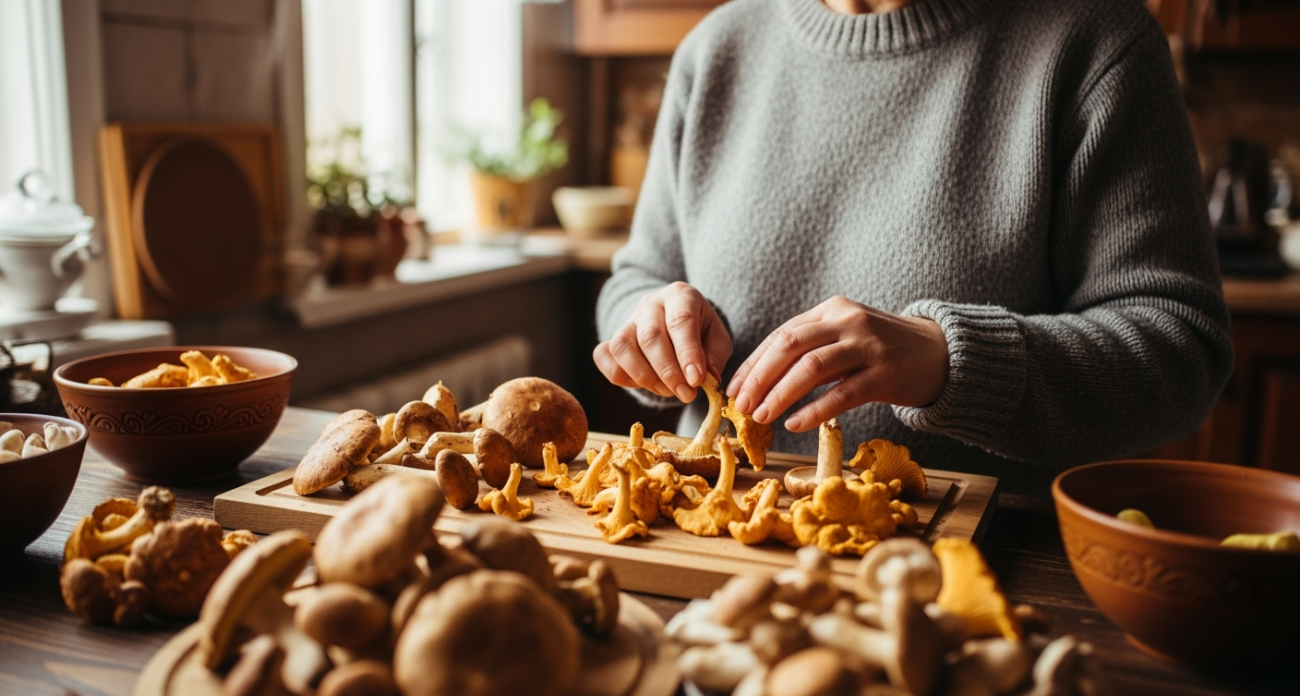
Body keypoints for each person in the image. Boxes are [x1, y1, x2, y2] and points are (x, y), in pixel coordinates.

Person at [593, 0, 1234, 496]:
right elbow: (638, 277)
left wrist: (952, 363)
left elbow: (1182, 351)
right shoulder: (713, 50)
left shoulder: (1096, 43)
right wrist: (649, 320)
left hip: (972, 584)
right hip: (709, 555)